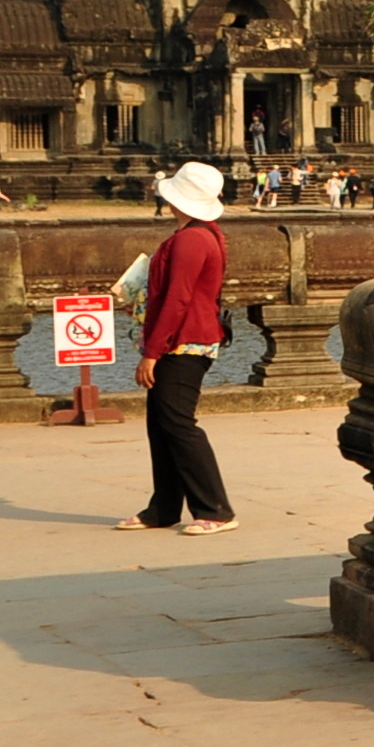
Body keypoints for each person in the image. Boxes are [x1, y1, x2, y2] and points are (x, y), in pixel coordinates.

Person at [119, 161, 237, 537]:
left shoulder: (191, 239)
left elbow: (179, 298)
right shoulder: (203, 234)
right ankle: (164, 506)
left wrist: (152, 352)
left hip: (186, 341)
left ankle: (215, 509)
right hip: (184, 336)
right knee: (161, 423)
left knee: (178, 424)